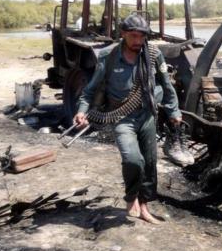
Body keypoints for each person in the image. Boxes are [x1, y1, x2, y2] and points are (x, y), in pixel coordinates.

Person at [74, 14, 183, 224]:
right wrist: (81, 111)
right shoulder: (108, 56)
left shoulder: (153, 54)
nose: (138, 41)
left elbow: (166, 85)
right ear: (123, 34)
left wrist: (174, 111)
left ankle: (144, 206)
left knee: (149, 163)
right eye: (133, 36)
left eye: (142, 36)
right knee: (133, 159)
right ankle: (131, 196)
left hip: (147, 115)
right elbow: (90, 90)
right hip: (121, 117)